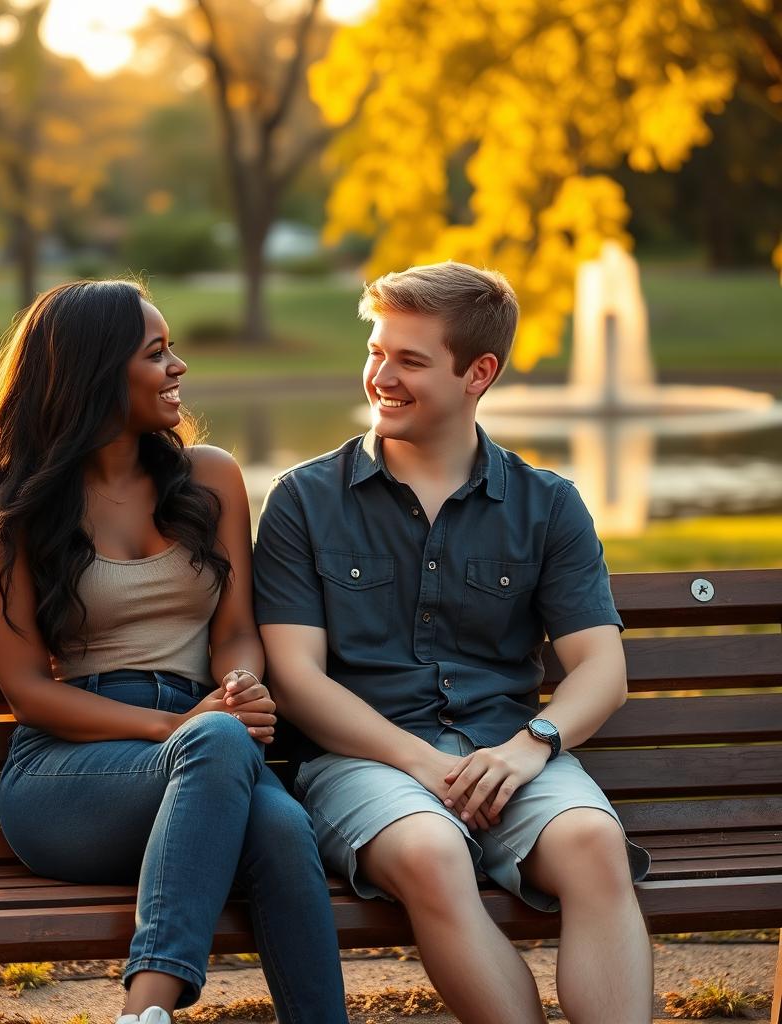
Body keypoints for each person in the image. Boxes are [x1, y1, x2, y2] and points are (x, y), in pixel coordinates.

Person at [0, 280, 348, 1024]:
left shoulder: (210, 478)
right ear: (93, 375)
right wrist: (186, 729)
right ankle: (146, 1009)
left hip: (209, 751)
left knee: (281, 827)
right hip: (72, 775)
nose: (178, 366)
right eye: (156, 353)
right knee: (222, 752)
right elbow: (28, 691)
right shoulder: (6, 511)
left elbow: (236, 627)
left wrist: (240, 682)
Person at [253, 262, 653, 1024]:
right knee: (433, 855)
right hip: (363, 761)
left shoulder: (547, 505)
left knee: (597, 847)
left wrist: (530, 745)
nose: (381, 377)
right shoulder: (304, 499)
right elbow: (298, 679)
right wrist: (425, 764)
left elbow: (602, 670)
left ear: (480, 372)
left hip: (508, 757)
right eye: (376, 351)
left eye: (410, 360)